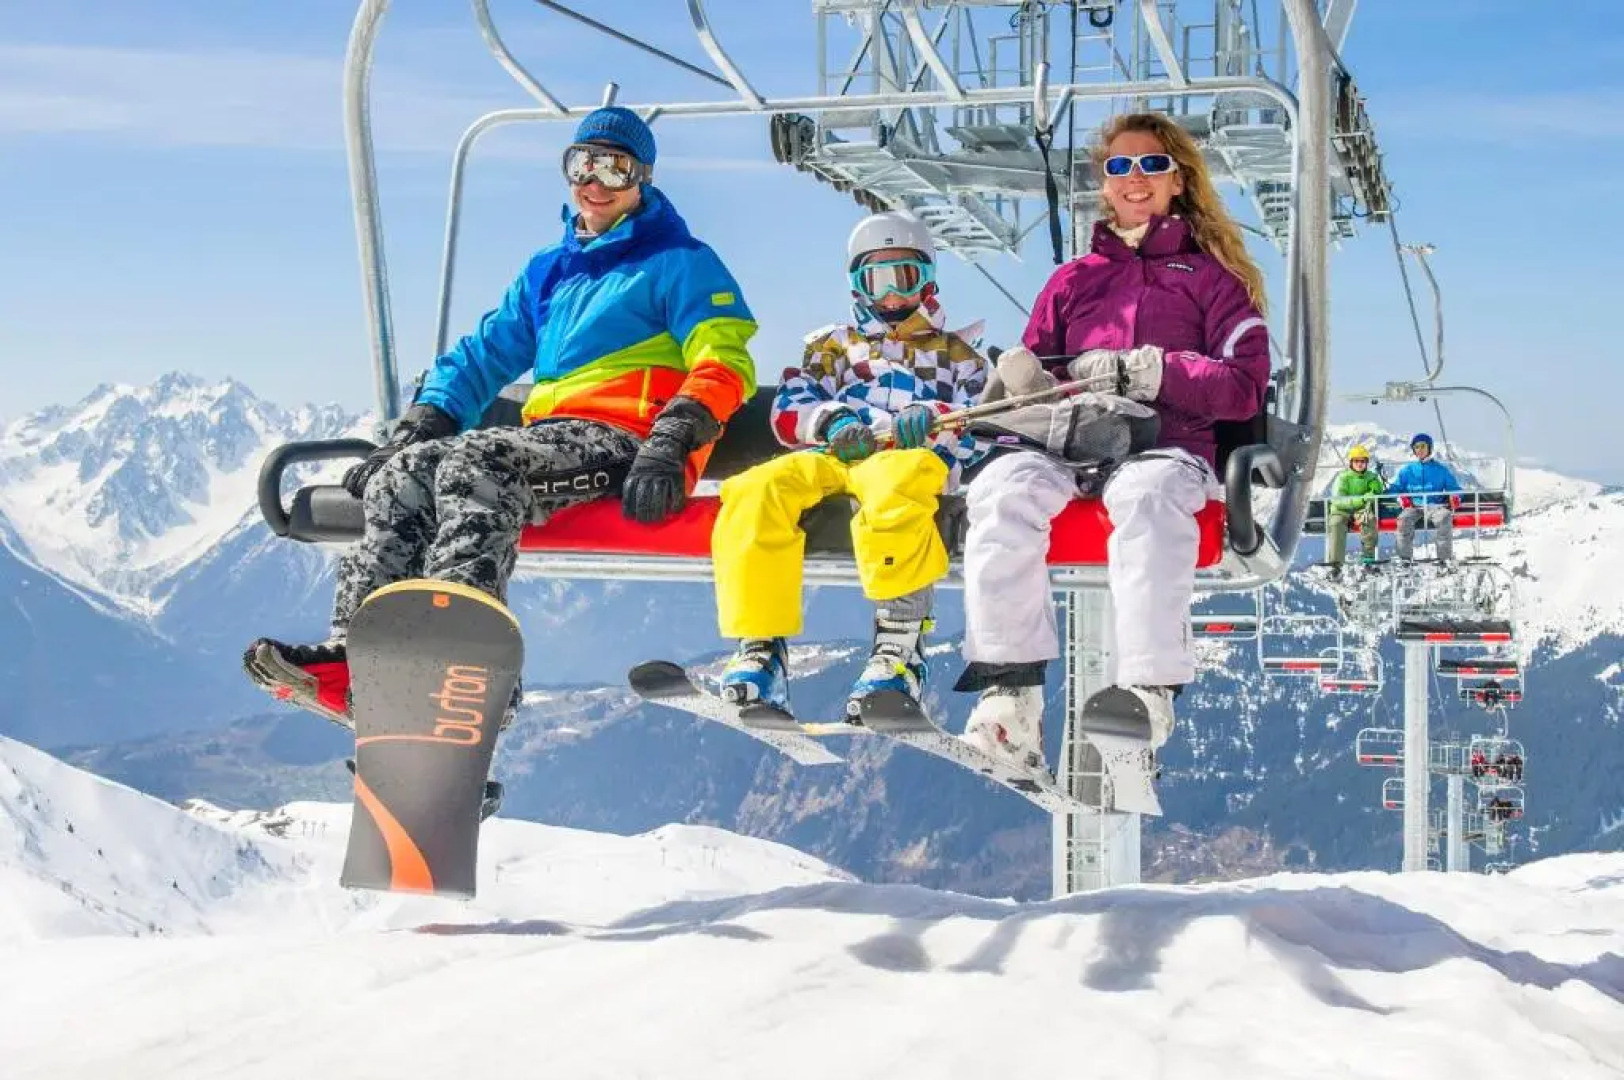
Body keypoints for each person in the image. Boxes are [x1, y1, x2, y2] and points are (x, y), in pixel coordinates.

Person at [244, 106, 758, 730]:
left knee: (477, 466)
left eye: (614, 169)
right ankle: (358, 654)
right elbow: (482, 355)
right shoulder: (550, 270)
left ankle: (465, 667)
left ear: (642, 178)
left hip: (629, 441)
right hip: (551, 440)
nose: (594, 182)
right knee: (402, 474)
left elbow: (725, 360)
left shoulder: (680, 262)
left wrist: (673, 440)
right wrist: (420, 427)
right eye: (582, 164)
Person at [954, 112, 1271, 772]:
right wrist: (1022, 385)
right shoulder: (1072, 280)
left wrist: (1154, 371)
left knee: (1146, 495)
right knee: (1001, 489)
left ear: (1178, 180)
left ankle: (1149, 690)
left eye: (1152, 164)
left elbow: (1244, 386)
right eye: (1118, 165)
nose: (1135, 177)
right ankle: (1010, 695)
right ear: (1103, 183)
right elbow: (1040, 377)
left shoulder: (1214, 280)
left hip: (1165, 443)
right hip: (1072, 440)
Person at [711, 210, 986, 714]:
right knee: (754, 489)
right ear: (858, 285)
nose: (892, 295)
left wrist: (934, 421)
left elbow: (980, 421)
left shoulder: (958, 355)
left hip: (904, 457)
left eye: (905, 277)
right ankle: (760, 644)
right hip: (838, 452)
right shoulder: (833, 346)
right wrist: (831, 420)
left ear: (927, 280)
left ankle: (899, 649)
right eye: (878, 280)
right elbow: (791, 404)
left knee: (896, 487)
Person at [1386, 432, 1461, 563]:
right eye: (1416, 447)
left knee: (1444, 517)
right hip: (1414, 506)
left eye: (1423, 446)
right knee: (1403, 520)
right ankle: (1405, 559)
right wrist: (1399, 497)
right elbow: (1395, 488)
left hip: (1434, 506)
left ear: (1429, 448)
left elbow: (1454, 488)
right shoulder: (1408, 470)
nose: (1420, 450)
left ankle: (1444, 558)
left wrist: (1455, 497)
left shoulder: (1440, 470)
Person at [1326, 444, 1384, 572]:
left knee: (1369, 519)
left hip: (1361, 509)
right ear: (1351, 462)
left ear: (1366, 463)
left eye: (1362, 461)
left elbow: (1379, 491)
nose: (1359, 464)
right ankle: (1336, 564)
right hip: (1341, 510)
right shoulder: (1343, 477)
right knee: (1336, 523)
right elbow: (1339, 500)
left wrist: (1376, 487)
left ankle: (1368, 559)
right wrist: (1362, 499)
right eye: (1356, 461)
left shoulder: (1371, 477)